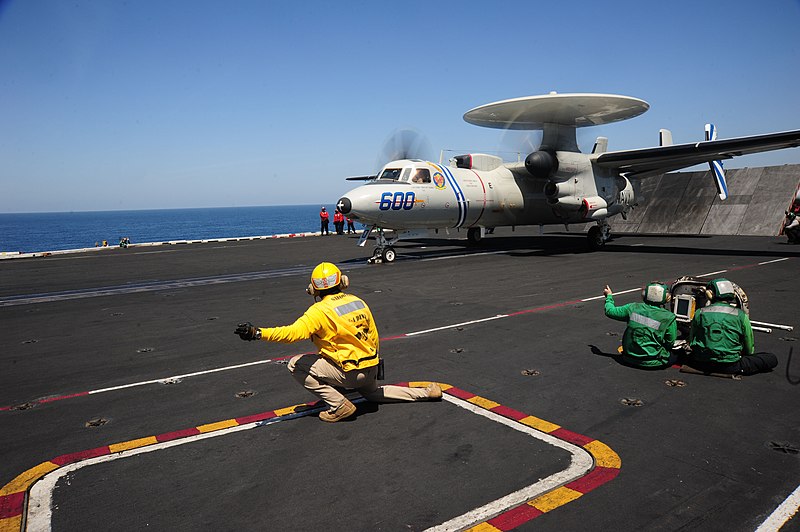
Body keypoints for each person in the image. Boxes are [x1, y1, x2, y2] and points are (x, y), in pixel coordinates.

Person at [235, 262, 441, 422]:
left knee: (295, 364)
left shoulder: (319, 311)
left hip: (348, 374)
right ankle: (426, 393)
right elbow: (374, 337)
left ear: (313, 289)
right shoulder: (357, 301)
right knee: (372, 393)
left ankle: (339, 405)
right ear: (342, 281)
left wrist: (257, 332)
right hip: (370, 368)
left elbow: (292, 333)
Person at [685, 278, 777, 375]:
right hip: (730, 365)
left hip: (701, 363)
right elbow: (749, 346)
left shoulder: (699, 312)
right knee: (771, 358)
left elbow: (692, 340)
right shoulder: (741, 315)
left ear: (710, 294)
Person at [603, 282, 678, 369]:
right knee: (678, 354)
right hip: (653, 362)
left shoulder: (632, 308)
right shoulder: (669, 317)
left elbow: (610, 311)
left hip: (628, 358)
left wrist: (609, 296)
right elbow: (670, 342)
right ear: (666, 297)